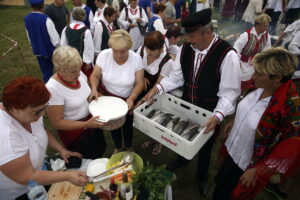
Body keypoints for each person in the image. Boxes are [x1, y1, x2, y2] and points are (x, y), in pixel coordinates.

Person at [143, 8, 241, 195]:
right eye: (187, 36)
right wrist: (158, 88)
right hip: (187, 103)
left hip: (210, 109)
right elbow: (177, 77)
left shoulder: (227, 55)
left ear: (208, 32)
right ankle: (182, 160)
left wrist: (218, 116)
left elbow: (230, 94)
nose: (188, 40)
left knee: (205, 145)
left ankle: (201, 176)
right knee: (181, 136)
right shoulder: (186, 48)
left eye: (193, 36)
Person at [213, 47, 300, 200]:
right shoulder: (258, 86)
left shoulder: (290, 107)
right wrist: (235, 120)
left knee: (231, 195)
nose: (253, 76)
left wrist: (257, 170)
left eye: (259, 74)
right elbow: (247, 106)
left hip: (249, 164)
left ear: (277, 78)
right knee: (220, 184)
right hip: (233, 149)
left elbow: (290, 147)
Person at [0, 77, 88, 200]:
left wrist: (61, 149)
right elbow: (28, 176)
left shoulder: (29, 113)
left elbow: (40, 131)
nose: (43, 114)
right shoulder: (7, 137)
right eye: (38, 112)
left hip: (37, 172)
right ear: (15, 108)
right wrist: (68, 176)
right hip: (15, 191)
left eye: (44, 108)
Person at [45, 46, 106, 159]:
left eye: (79, 69)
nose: (78, 74)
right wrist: (86, 124)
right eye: (73, 72)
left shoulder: (78, 74)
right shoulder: (53, 89)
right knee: (87, 160)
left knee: (99, 150)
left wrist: (93, 91)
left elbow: (86, 90)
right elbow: (57, 123)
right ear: (60, 70)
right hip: (76, 133)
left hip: (91, 122)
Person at [89, 30, 144, 154]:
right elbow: (95, 76)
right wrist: (94, 88)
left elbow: (139, 83)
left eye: (123, 51)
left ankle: (129, 146)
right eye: (115, 51)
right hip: (109, 99)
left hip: (127, 98)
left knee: (128, 125)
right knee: (112, 124)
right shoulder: (103, 55)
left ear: (129, 48)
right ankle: (118, 146)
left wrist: (132, 97)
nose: (119, 55)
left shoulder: (136, 59)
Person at [136, 31, 174, 155]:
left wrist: (144, 99)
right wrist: (141, 77)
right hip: (141, 87)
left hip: (157, 92)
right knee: (147, 118)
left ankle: (159, 141)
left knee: (158, 119)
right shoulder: (142, 49)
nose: (149, 52)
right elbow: (135, 66)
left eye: (153, 50)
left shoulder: (167, 62)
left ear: (162, 48)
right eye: (148, 48)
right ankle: (151, 137)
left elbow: (159, 83)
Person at [24, 0, 60, 83]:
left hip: (38, 50)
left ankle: (47, 86)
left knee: (46, 72)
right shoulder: (46, 19)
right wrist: (59, 47)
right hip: (50, 50)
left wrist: (34, 45)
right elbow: (56, 40)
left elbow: (29, 35)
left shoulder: (26, 19)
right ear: (43, 5)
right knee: (59, 69)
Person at [234, 14, 271, 85]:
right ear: (257, 25)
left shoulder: (266, 36)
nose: (266, 28)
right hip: (242, 63)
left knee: (252, 81)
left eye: (267, 26)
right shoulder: (246, 35)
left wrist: (259, 59)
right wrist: (237, 63)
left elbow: (267, 51)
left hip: (255, 64)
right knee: (238, 81)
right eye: (264, 26)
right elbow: (236, 50)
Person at [61, 7, 95, 78]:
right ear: (83, 17)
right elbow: (89, 48)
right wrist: (88, 62)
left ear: (72, 16)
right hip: (82, 61)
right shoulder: (86, 31)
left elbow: (63, 45)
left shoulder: (66, 29)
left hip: (69, 59)